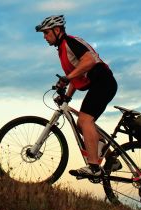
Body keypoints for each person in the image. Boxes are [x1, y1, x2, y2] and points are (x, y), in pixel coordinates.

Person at [36, 15, 118, 178]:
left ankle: (94, 167)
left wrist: (67, 78)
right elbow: (76, 76)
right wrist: (67, 96)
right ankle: (111, 159)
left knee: (84, 120)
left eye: (46, 33)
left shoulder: (70, 42)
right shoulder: (62, 49)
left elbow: (88, 61)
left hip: (103, 82)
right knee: (83, 125)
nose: (44, 37)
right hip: (100, 84)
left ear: (57, 30)